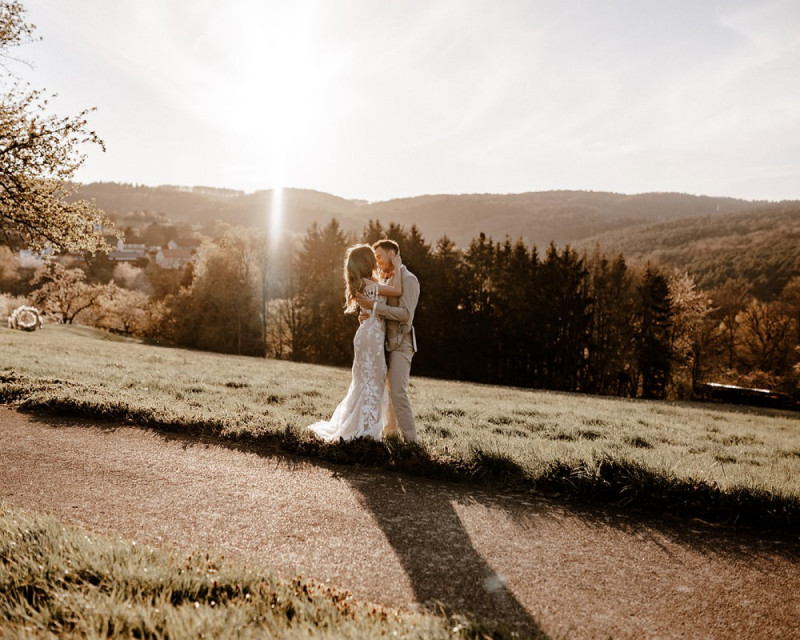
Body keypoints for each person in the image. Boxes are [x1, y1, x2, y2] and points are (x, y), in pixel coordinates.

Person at [307, 244, 403, 441]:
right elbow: (398, 290)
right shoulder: (372, 285)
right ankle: (365, 428)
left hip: (365, 334)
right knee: (373, 380)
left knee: (363, 381)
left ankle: (360, 423)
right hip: (372, 336)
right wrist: (398, 266)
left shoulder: (362, 284)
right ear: (367, 262)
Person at [356, 239, 420, 443]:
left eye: (380, 256)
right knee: (386, 392)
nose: (377, 261)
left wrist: (374, 309)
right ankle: (390, 437)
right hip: (383, 343)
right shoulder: (386, 278)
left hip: (402, 343)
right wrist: (368, 314)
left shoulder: (409, 280)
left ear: (393, 254)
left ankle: (412, 443)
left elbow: (405, 314)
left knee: (398, 393)